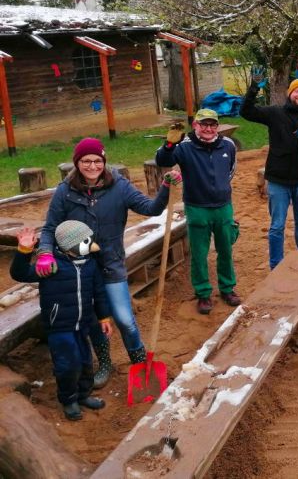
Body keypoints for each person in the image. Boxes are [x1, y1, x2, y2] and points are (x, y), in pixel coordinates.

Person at [39, 137, 178, 387]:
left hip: (111, 263)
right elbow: (50, 228)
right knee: (93, 320)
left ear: (104, 162)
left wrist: (165, 188)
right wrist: (45, 252)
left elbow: (151, 209)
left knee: (124, 319)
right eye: (86, 161)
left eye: (97, 161)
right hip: (80, 268)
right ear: (77, 163)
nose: (92, 166)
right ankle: (104, 363)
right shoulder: (65, 191)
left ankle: (139, 363)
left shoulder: (119, 187)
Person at [14, 222, 113, 420]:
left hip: (82, 323)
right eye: (86, 241)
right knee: (67, 364)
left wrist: (103, 317)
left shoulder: (90, 264)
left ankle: (84, 394)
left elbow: (99, 293)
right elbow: (20, 273)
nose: (91, 245)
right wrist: (25, 251)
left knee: (85, 361)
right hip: (59, 326)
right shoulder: (51, 266)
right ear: (69, 246)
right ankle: (69, 400)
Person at [240, 72, 298, 268]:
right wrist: (254, 88)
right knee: (277, 225)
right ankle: (275, 264)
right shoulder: (275, 113)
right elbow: (246, 112)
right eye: (297, 91)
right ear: (290, 94)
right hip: (279, 180)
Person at [156, 108, 242, 314]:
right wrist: (169, 144)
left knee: (226, 249)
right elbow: (163, 161)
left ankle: (227, 288)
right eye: (204, 124)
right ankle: (203, 293)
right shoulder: (184, 146)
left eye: (213, 125)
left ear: (217, 126)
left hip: (223, 206)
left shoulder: (228, 145)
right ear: (195, 125)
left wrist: (219, 187)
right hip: (196, 207)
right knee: (199, 253)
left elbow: (231, 169)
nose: (208, 129)